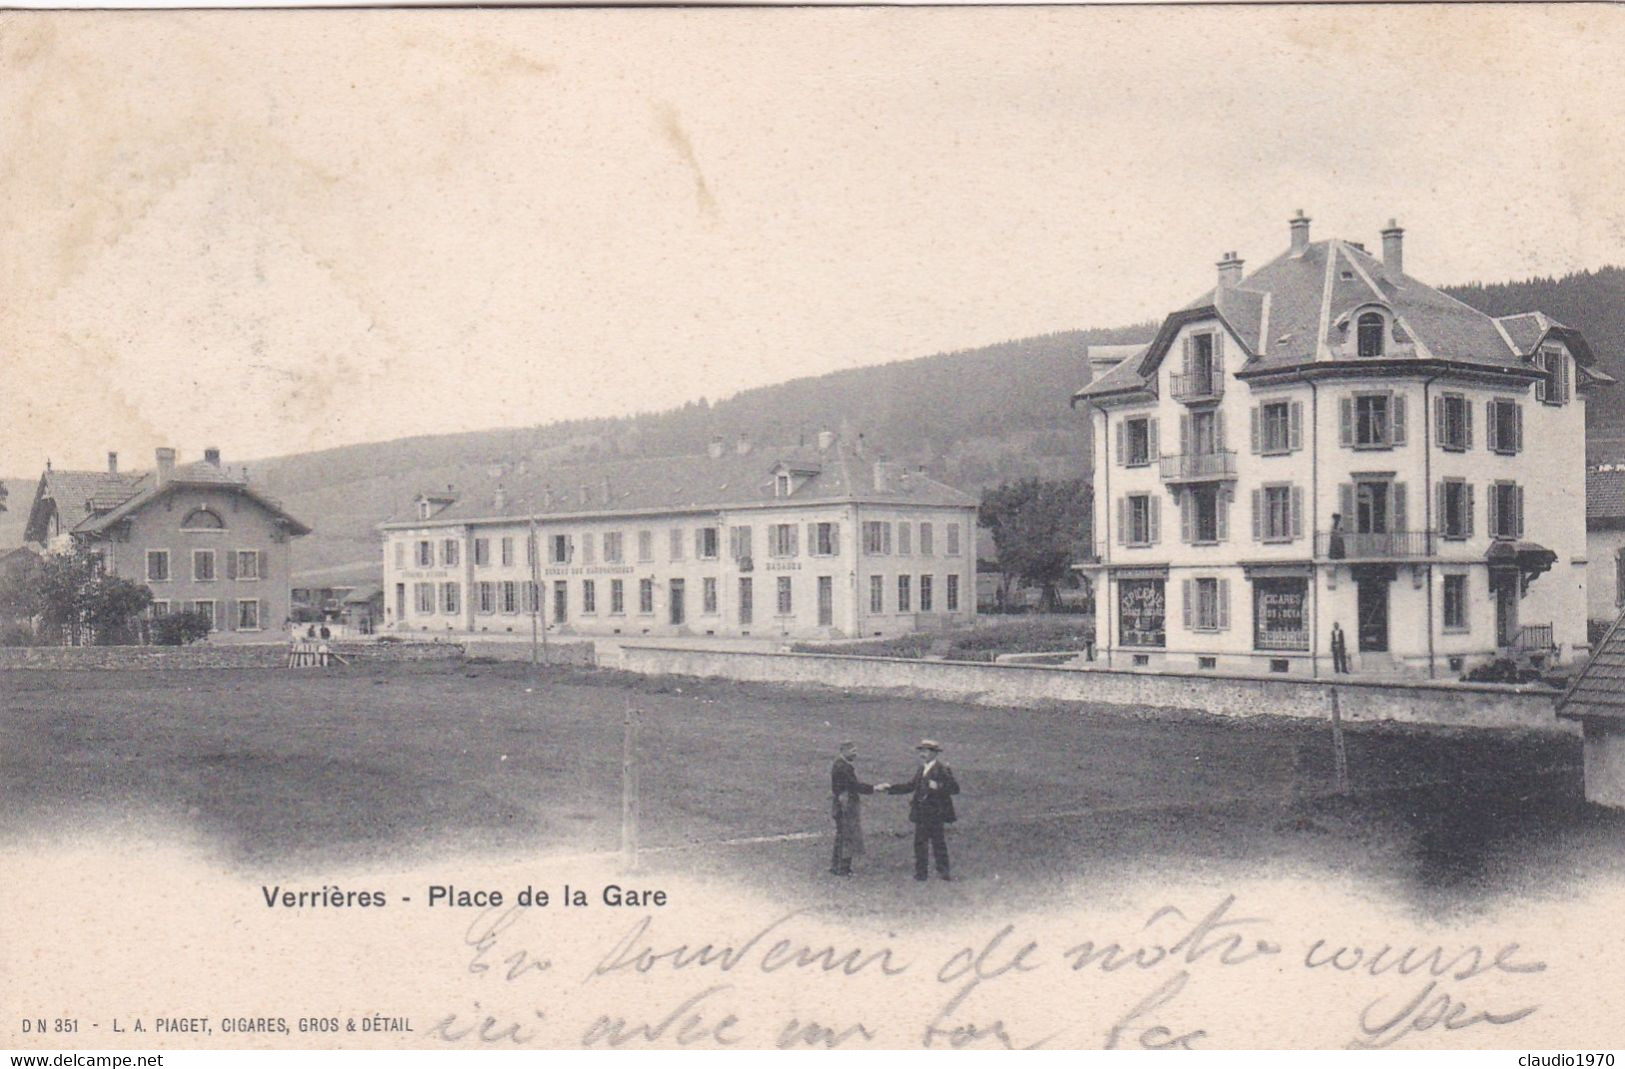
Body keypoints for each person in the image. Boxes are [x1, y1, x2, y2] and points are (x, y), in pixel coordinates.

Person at [885, 739, 960, 882]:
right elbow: (911, 785)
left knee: (938, 843)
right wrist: (890, 789)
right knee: (920, 843)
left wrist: (937, 786)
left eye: (925, 751)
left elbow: (955, 789)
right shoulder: (922, 768)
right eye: (921, 751)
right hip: (921, 813)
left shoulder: (941, 769)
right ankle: (921, 874)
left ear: (934, 753)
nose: (922, 754)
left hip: (935, 814)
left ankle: (944, 873)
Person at [829, 741, 875, 876]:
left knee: (842, 835)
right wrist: (873, 788)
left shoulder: (839, 764)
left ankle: (836, 866)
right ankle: (843, 868)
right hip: (846, 805)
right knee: (848, 835)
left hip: (840, 804)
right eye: (853, 751)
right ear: (844, 750)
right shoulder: (844, 767)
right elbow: (854, 785)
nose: (856, 754)